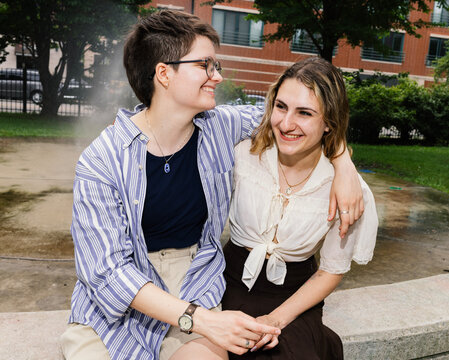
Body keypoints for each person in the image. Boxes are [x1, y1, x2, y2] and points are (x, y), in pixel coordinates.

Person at [60, 10, 364, 360]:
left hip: (193, 281)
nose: (217, 76)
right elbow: (107, 272)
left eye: (215, 65)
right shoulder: (101, 160)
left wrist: (342, 162)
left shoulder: (220, 127)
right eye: (205, 65)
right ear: (164, 74)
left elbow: (299, 119)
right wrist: (198, 319)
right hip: (117, 305)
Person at [221, 57, 378, 359]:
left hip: (295, 296)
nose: (286, 123)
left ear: (329, 122)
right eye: (281, 107)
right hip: (229, 284)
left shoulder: (348, 190)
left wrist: (275, 320)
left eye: (304, 113)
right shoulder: (242, 154)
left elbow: (331, 270)